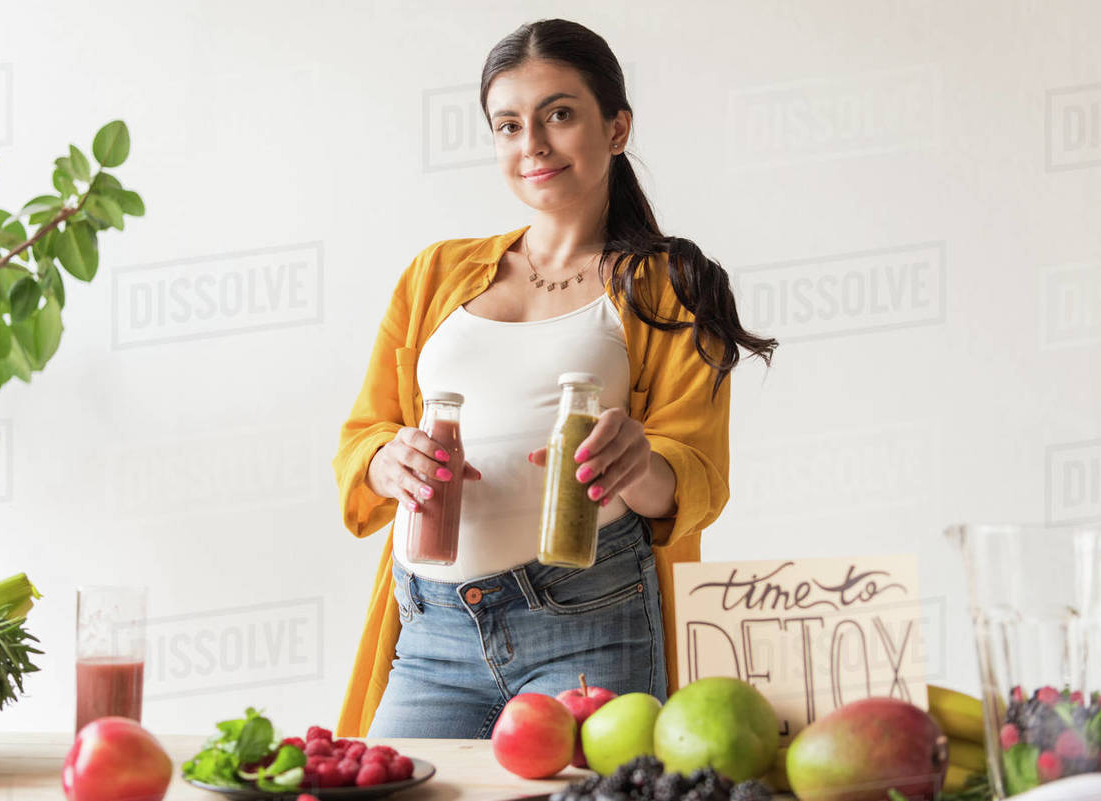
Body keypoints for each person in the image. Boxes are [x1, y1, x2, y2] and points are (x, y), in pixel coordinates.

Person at [332, 18, 776, 739]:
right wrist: (387, 461)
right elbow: (363, 436)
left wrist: (640, 464)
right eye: (508, 124)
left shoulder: (670, 286)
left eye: (559, 114)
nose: (531, 144)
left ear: (618, 128)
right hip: (432, 629)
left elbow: (696, 479)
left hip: (591, 624)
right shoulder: (434, 274)